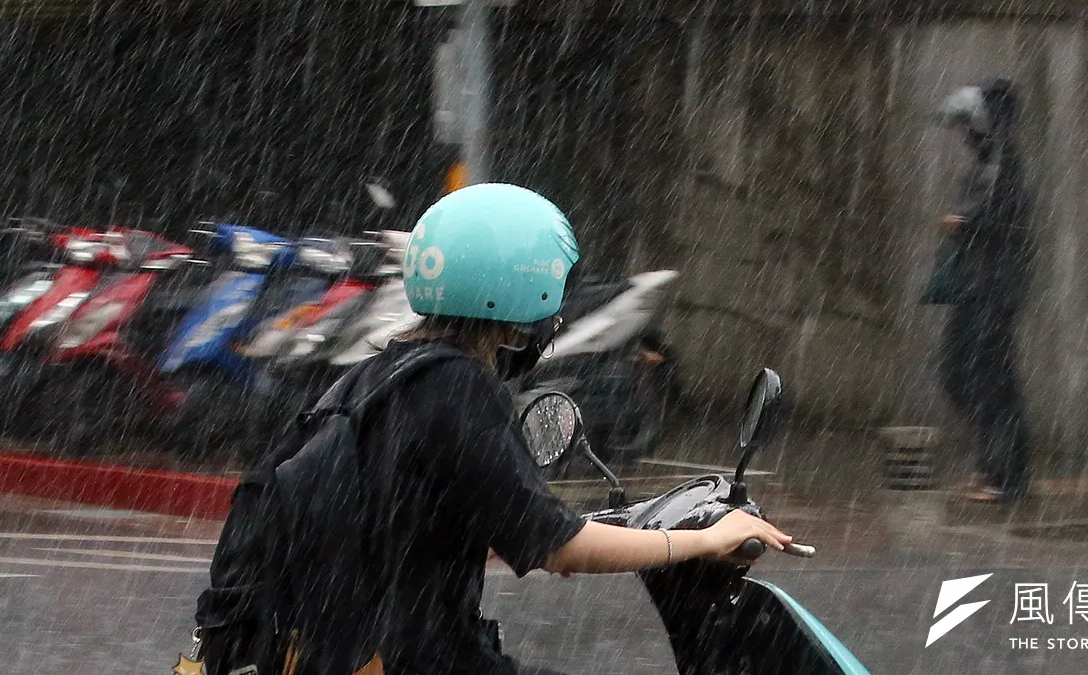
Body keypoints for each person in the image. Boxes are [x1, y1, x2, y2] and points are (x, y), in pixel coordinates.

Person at [308, 183, 793, 674]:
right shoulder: (458, 386)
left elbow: (456, 512)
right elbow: (557, 548)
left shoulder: (377, 376)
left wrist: (591, 528)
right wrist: (706, 540)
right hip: (426, 661)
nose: (555, 317)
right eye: (555, 296)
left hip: (348, 651)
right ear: (524, 290)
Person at [931, 78, 1035, 504]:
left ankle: (1008, 476)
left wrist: (966, 223)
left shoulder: (1005, 163)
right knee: (959, 375)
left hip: (993, 290)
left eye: (972, 127)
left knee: (992, 381)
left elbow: (1006, 222)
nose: (967, 137)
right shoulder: (988, 162)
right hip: (975, 289)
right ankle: (997, 466)